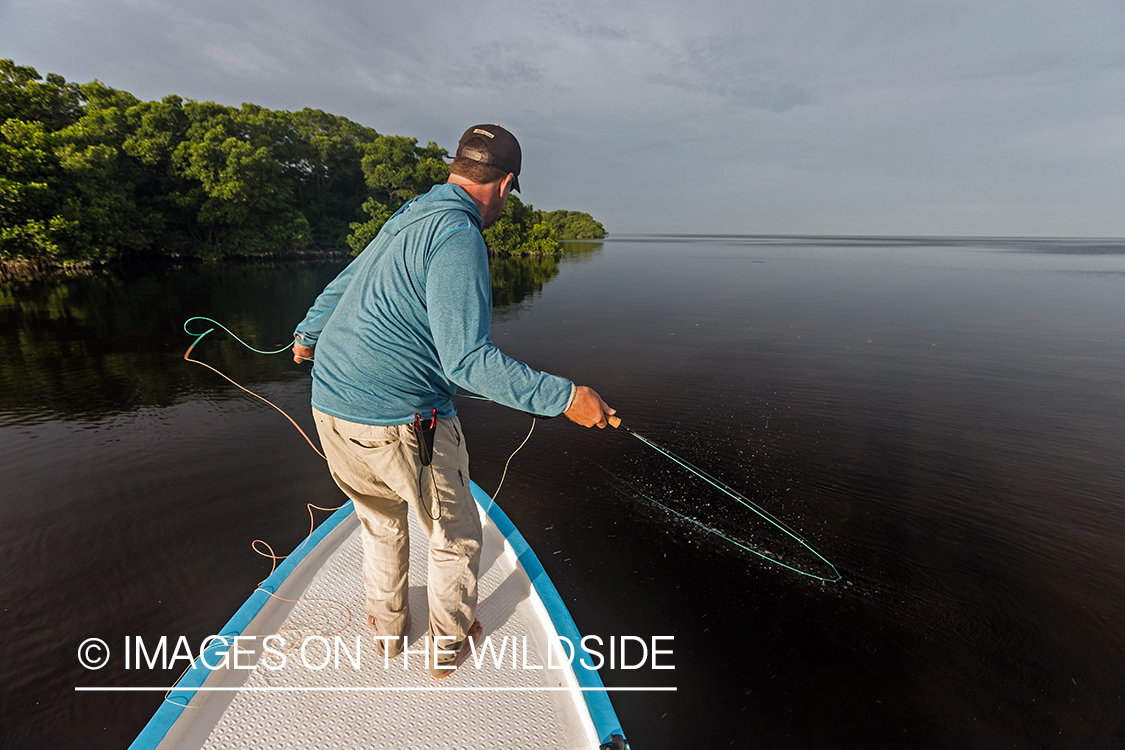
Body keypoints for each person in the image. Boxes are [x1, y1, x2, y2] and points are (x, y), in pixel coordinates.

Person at [291, 124, 614, 678]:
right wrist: (565, 397)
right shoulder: (459, 237)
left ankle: (389, 632)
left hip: (329, 401)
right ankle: (448, 644)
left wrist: (309, 332)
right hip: (402, 421)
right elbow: (465, 362)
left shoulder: (412, 213)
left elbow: (346, 281)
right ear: (507, 183)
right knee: (456, 537)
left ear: (457, 167)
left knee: (379, 520)